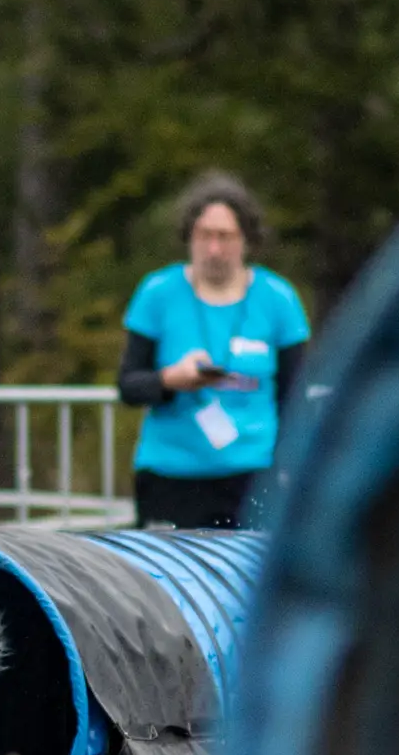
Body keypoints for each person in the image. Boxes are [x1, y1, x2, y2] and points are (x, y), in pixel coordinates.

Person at [117, 171, 311, 529]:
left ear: (246, 239)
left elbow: (294, 397)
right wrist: (170, 380)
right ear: (189, 236)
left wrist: (290, 470)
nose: (214, 249)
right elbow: (128, 385)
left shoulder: (278, 299)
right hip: (171, 475)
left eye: (225, 236)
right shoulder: (158, 292)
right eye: (204, 235)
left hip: (252, 475)